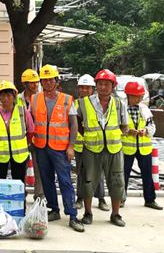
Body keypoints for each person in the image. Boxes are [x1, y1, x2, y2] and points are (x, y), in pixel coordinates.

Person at [30, 65, 83, 232]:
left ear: (56, 81)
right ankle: (54, 209)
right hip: (41, 146)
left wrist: (71, 146)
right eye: (44, 80)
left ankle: (72, 215)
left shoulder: (67, 99)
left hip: (60, 148)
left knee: (65, 181)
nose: (47, 83)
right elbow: (30, 121)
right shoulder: (35, 99)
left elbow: (74, 125)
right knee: (46, 180)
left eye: (50, 80)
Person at [76, 69, 129, 227]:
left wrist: (113, 135)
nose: (103, 87)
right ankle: (88, 213)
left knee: (117, 181)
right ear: (96, 85)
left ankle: (116, 214)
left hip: (114, 149)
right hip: (91, 148)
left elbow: (124, 126)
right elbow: (78, 123)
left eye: (107, 84)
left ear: (113, 86)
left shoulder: (119, 104)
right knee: (88, 180)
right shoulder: (84, 103)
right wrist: (90, 135)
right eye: (100, 84)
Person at [122, 81, 162, 210]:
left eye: (141, 96)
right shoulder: (121, 109)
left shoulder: (144, 109)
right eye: (136, 97)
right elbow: (115, 128)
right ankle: (120, 199)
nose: (139, 99)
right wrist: (128, 132)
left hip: (144, 148)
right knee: (123, 175)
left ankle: (150, 200)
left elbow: (152, 126)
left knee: (147, 175)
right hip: (126, 148)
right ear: (128, 96)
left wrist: (146, 131)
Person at [74, 74, 109, 212]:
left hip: (96, 145)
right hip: (79, 145)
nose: (84, 90)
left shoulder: (98, 104)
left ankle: (101, 198)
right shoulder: (74, 104)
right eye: (82, 87)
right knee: (81, 173)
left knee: (99, 173)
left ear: (93, 89)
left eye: (87, 88)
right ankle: (80, 198)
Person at [0, 81, 34, 182]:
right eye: (2, 95)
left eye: (8, 95)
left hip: (19, 155)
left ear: (14, 96)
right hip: (0, 155)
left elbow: (30, 131)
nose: (5, 98)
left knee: (19, 183)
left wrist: (23, 143)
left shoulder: (22, 111)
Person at [21, 68, 44, 200]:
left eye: (36, 82)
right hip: (21, 139)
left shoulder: (41, 98)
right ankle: (21, 192)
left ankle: (39, 195)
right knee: (20, 168)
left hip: (38, 138)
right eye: (32, 82)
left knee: (39, 169)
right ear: (25, 83)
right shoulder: (17, 99)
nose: (35, 85)